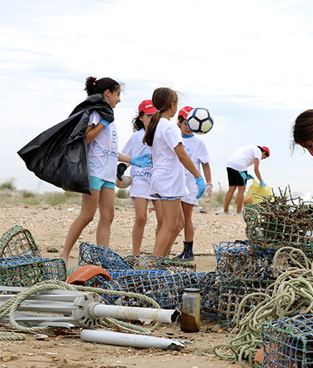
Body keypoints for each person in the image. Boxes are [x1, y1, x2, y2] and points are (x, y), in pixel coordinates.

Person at [59, 77, 153, 264]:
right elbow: (85, 139)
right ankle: (64, 253)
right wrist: (103, 122)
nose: (119, 99)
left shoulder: (109, 118)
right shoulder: (95, 113)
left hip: (108, 174)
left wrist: (132, 160)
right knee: (87, 215)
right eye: (117, 94)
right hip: (94, 171)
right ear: (107, 93)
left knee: (108, 216)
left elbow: (110, 151)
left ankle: (102, 259)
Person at [143, 88, 206, 257]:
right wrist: (199, 177)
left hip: (166, 178)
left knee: (178, 223)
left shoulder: (158, 125)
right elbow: (182, 154)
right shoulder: (170, 126)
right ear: (172, 105)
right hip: (168, 179)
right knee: (169, 225)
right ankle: (152, 267)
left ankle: (160, 261)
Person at [119, 100, 164, 256]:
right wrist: (121, 169)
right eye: (149, 115)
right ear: (141, 117)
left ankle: (157, 254)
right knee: (141, 217)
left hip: (157, 180)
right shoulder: (136, 137)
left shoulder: (161, 134)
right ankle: (136, 255)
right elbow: (125, 156)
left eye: (155, 115)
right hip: (140, 179)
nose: (152, 118)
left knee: (162, 219)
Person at [174, 106, 213, 261]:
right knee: (173, 219)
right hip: (174, 183)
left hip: (190, 186)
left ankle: (188, 250)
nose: (188, 128)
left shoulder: (199, 143)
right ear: (179, 122)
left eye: (191, 125)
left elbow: (205, 163)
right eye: (185, 124)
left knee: (186, 218)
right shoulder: (174, 137)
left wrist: (208, 183)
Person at [223, 145, 270, 214]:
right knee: (241, 189)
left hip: (230, 164)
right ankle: (238, 211)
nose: (262, 158)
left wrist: (244, 175)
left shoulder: (252, 149)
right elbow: (256, 169)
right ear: (264, 152)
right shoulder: (258, 152)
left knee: (231, 188)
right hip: (240, 165)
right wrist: (261, 181)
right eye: (264, 157)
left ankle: (225, 211)